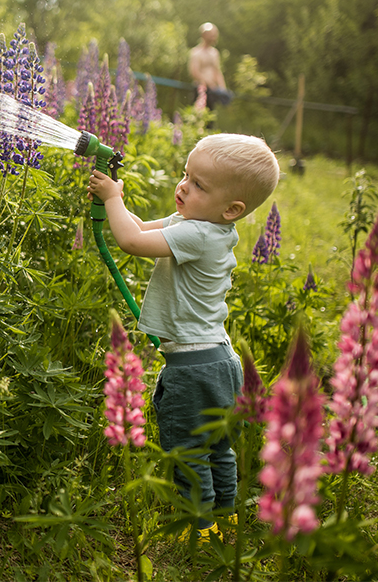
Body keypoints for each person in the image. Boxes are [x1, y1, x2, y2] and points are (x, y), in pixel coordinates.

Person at [87, 133, 280, 542]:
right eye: (185, 175)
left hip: (192, 369)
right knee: (217, 446)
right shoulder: (203, 226)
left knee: (189, 450)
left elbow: (130, 241)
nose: (182, 186)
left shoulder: (198, 235)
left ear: (232, 208)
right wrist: (117, 200)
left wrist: (110, 199)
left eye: (198, 185)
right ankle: (225, 512)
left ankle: (199, 526)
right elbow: (140, 228)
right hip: (219, 361)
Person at [188, 23, 232, 110]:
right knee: (197, 116)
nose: (213, 36)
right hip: (200, 90)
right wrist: (209, 84)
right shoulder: (196, 52)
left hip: (212, 91)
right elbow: (194, 72)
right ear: (203, 35)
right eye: (211, 34)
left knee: (210, 119)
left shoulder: (214, 53)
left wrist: (223, 89)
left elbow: (217, 72)